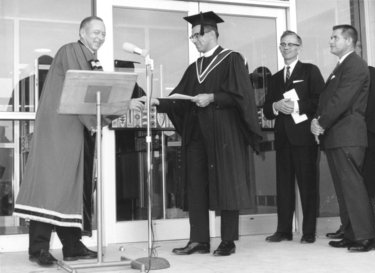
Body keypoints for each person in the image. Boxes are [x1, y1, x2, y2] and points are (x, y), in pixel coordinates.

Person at [13, 16, 144, 266]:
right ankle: (38, 248)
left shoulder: (91, 59)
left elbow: (99, 95)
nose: (100, 37)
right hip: (60, 130)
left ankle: (72, 245)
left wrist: (123, 104)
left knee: (72, 188)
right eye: (95, 32)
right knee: (50, 186)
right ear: (82, 32)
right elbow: (85, 88)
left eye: (103, 34)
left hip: (76, 129)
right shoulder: (71, 50)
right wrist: (122, 104)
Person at [150, 11, 262, 256]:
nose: (194, 41)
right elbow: (179, 99)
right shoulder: (195, 68)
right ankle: (198, 240)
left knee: (227, 185)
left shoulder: (232, 59)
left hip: (225, 135)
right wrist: (156, 101)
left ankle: (227, 241)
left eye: (197, 36)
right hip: (197, 135)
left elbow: (242, 96)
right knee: (197, 185)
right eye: (192, 38)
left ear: (211, 33)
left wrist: (212, 97)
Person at [311, 24, 375, 252]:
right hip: (337, 135)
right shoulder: (342, 65)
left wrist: (320, 121)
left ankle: (366, 237)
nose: (330, 41)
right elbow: (329, 99)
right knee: (343, 189)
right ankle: (351, 234)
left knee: (352, 187)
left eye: (335, 37)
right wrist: (317, 119)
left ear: (349, 41)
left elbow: (341, 99)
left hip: (347, 135)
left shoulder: (355, 65)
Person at [325, 41, 375, 240]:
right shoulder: (342, 72)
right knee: (347, 187)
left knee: (359, 188)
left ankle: (360, 232)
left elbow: (374, 109)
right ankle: (349, 228)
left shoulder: (369, 72)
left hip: (365, 137)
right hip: (349, 137)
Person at [263, 31, 324, 244]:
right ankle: (283, 230)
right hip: (283, 140)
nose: (286, 47)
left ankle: (308, 232)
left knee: (307, 186)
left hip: (304, 139)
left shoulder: (310, 71)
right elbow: (267, 110)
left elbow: (320, 100)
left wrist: (296, 105)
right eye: (283, 44)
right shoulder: (275, 78)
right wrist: (275, 106)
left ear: (299, 47)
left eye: (291, 44)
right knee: (284, 187)